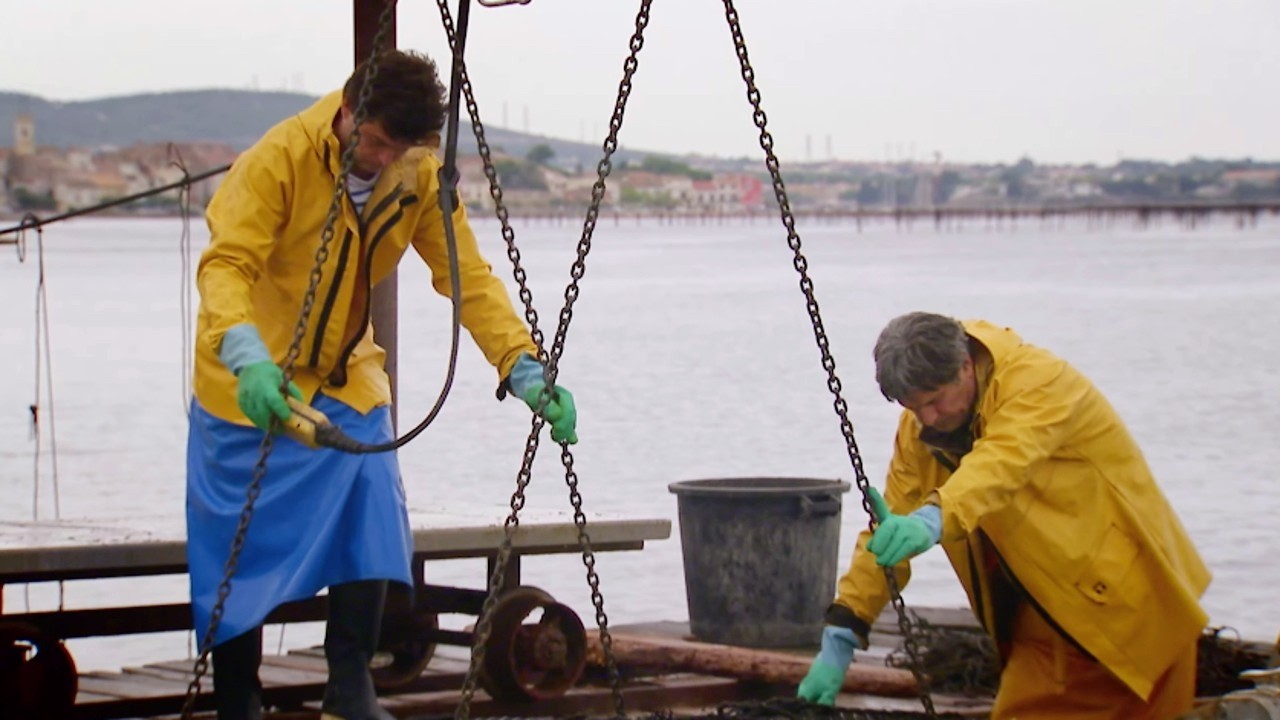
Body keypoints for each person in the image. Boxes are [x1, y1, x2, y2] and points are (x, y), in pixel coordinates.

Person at [187, 49, 576, 720]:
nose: (376, 157)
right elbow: (227, 265)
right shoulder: (275, 159)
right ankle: (236, 694)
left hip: (344, 375)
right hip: (248, 375)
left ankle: (350, 684)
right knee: (237, 542)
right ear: (347, 111)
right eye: (370, 141)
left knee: (373, 500)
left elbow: (467, 277)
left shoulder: (416, 175)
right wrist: (247, 356)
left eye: (394, 149)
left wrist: (521, 364)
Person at [797, 312, 1210, 719]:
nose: (928, 419)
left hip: (1131, 607)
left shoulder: (1038, 383)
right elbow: (887, 531)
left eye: (935, 401)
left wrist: (933, 520)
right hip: (1041, 622)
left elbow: (998, 466)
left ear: (964, 366)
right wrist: (844, 629)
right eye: (913, 407)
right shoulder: (919, 433)